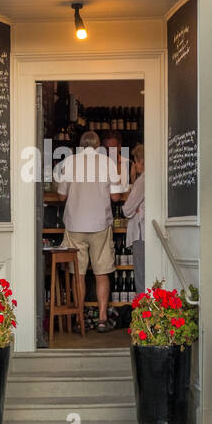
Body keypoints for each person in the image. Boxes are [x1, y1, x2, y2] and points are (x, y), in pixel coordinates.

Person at [55, 130, 126, 333]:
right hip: (100, 225)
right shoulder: (108, 163)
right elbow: (115, 198)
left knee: (78, 274)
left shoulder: (70, 162)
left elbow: (61, 196)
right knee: (101, 272)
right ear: (98, 146)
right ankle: (102, 319)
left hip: (75, 224)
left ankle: (79, 319)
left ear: (81, 144)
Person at [121, 143, 146, 294]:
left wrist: (134, 209)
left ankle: (143, 314)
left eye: (135, 162)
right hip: (147, 232)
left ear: (141, 161)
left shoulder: (142, 181)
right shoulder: (154, 177)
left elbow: (127, 210)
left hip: (141, 234)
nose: (134, 165)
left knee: (141, 276)